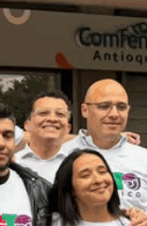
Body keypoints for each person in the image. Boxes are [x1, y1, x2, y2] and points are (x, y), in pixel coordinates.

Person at [62, 79, 147, 212]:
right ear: (85, 110)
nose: (114, 114)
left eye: (122, 107)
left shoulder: (143, 158)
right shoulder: (61, 155)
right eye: (104, 106)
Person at [15, 91, 72, 182]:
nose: (52, 119)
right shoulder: (12, 164)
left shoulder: (76, 165)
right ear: (27, 125)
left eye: (60, 114)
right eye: (43, 113)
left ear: (68, 128)